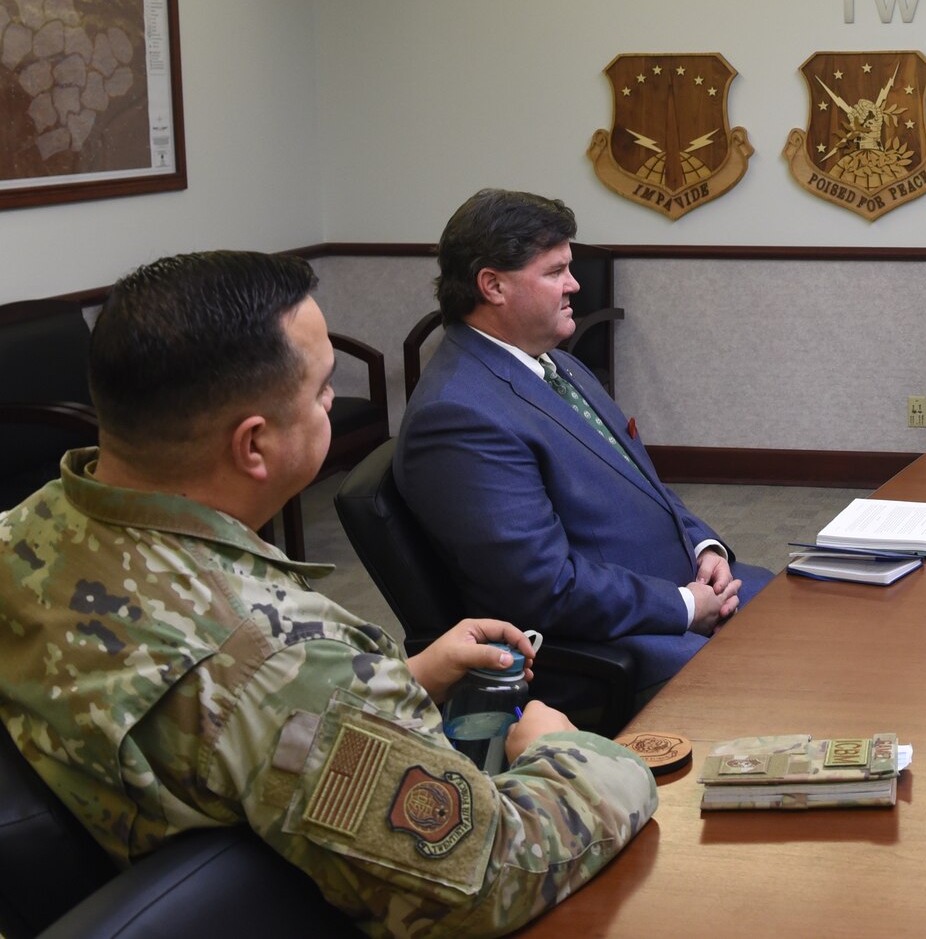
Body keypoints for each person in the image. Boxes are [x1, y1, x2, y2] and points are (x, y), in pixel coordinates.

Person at [0, 251, 656, 936]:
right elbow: (488, 880)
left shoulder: (29, 528)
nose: (328, 407)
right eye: (321, 392)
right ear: (254, 445)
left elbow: (227, 718)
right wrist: (565, 751)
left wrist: (398, 682)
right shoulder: (278, 659)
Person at [396, 189, 771, 703]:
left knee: (821, 609)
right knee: (788, 683)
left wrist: (704, 546)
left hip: (684, 585)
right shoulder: (459, 415)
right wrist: (683, 605)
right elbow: (544, 588)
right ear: (493, 285)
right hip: (626, 640)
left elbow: (642, 486)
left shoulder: (558, 365)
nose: (574, 285)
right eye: (555, 272)